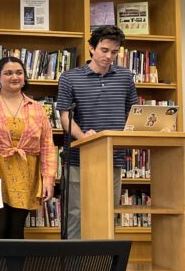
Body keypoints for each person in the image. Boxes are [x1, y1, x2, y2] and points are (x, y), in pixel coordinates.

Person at [57, 25, 138, 239]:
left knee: (108, 213)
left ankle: (103, 269)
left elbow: (134, 112)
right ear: (92, 48)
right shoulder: (69, 78)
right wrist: (83, 137)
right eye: (104, 50)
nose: (109, 56)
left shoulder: (125, 77)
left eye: (114, 52)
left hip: (113, 157)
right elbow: (65, 117)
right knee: (76, 214)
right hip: (79, 158)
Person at [0, 56, 56, 242]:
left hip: (25, 173)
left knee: (16, 231)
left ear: (24, 76)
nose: (14, 77)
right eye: (8, 73)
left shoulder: (37, 109)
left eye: (19, 72)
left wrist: (48, 178)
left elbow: (47, 145)